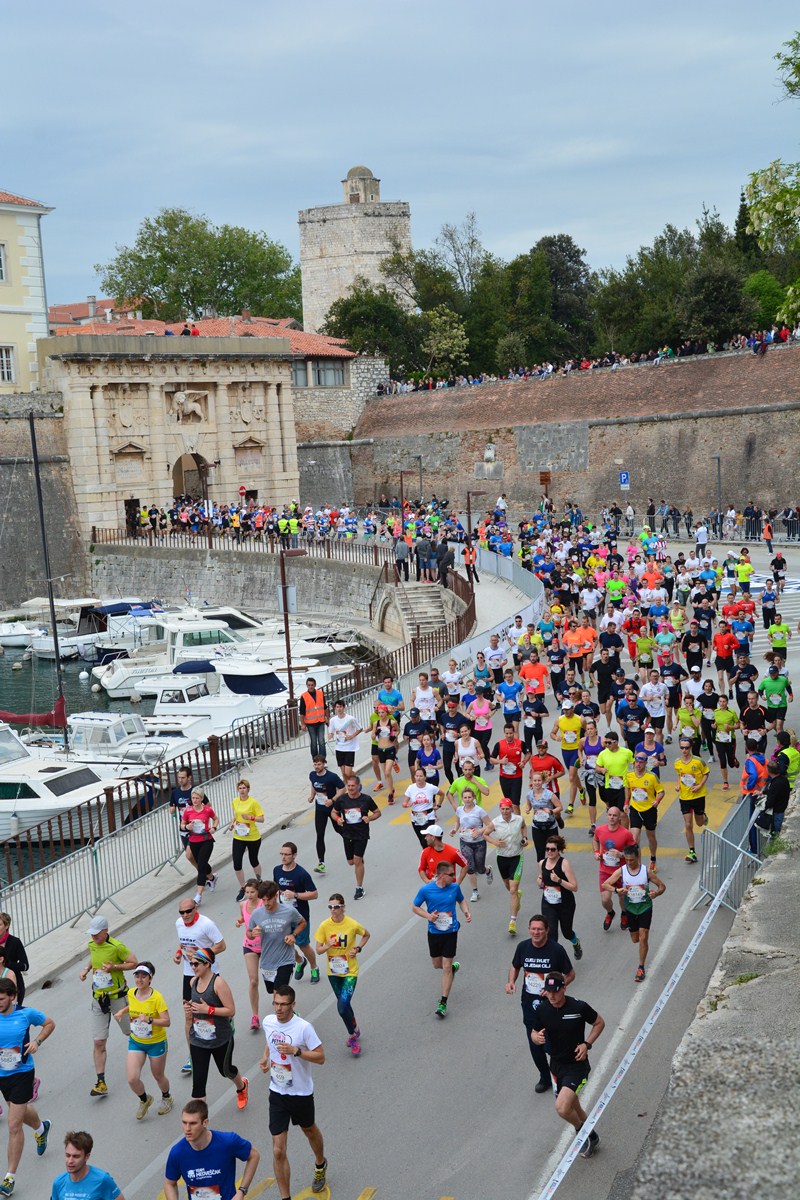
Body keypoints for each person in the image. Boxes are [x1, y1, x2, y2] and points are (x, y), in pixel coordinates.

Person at [260, 985, 327, 1199]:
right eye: (276, 1003)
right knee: (278, 1150)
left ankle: (320, 1163)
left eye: (283, 1004)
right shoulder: (268, 1022)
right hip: (277, 1092)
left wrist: (296, 1051)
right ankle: (285, 1197)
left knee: (309, 1130)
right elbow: (270, 1040)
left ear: (293, 1004)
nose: (278, 1009)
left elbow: (321, 1057)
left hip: (300, 1093)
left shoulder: (304, 1028)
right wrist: (265, 1057)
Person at [530, 972, 605, 1158]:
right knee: (574, 1108)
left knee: (562, 1108)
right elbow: (534, 1032)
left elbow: (599, 1023)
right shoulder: (543, 1009)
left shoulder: (578, 1007)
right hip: (556, 1067)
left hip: (577, 1067)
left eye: (556, 991)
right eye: (548, 991)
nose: (552, 996)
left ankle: (581, 1132)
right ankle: (592, 1137)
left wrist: (587, 1044)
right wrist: (536, 1038)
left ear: (564, 988)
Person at [505, 915, 574, 1094]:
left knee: (552, 1045)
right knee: (535, 1043)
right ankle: (545, 1077)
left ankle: (563, 1075)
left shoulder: (556, 950)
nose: (536, 932)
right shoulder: (523, 947)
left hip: (552, 1005)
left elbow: (570, 974)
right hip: (530, 1005)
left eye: (540, 929)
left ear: (547, 931)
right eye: (533, 929)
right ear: (529, 929)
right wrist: (511, 981)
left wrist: (555, 989)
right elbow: (515, 966)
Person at [0, 978, 54, 1196]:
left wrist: (37, 1042)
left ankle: (9, 1178)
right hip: (2, 1075)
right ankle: (41, 1128)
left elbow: (49, 1023)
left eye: (1, 999)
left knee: (14, 1125)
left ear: (12, 997)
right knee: (18, 1112)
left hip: (22, 1073)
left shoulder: (26, 1014)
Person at [79, 916, 136, 1099]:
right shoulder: (92, 944)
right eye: (92, 934)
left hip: (118, 998)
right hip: (99, 999)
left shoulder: (116, 946)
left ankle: (152, 1050)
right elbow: (94, 957)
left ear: (106, 931)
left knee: (132, 1032)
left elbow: (134, 962)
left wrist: (115, 967)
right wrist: (86, 969)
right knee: (98, 1042)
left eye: (97, 933)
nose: (94, 937)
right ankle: (101, 1082)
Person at [184, 949, 249, 1108]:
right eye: (191, 964)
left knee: (226, 1071)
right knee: (198, 1085)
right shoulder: (193, 982)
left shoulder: (218, 983)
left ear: (207, 964)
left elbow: (231, 1010)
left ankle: (241, 1087)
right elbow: (194, 1006)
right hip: (198, 1040)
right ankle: (199, 1121)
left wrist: (208, 1010)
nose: (193, 967)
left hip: (220, 1039)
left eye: (196, 964)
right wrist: (189, 1009)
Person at [164, 1099, 259, 1200]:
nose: (187, 1128)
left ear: (205, 1122)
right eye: (184, 1122)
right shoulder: (177, 1152)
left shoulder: (227, 1142)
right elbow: (169, 1183)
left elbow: (254, 1155)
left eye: (193, 1123)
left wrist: (242, 1191)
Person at [412, 861, 472, 1019]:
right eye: (451, 874)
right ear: (442, 875)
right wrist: (428, 916)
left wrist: (466, 912)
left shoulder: (454, 887)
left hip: (451, 932)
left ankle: (443, 1003)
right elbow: (415, 907)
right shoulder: (426, 890)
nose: (454, 877)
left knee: (445, 967)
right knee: (437, 965)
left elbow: (461, 900)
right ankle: (452, 969)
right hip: (434, 932)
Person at [113, 961, 172, 1119]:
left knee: (158, 1075)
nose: (139, 979)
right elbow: (132, 1006)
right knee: (132, 1079)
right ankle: (145, 1099)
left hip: (156, 1042)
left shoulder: (157, 998)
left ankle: (167, 1097)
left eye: (144, 976)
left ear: (150, 978)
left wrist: (149, 1020)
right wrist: (121, 1011)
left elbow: (167, 1021)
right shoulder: (131, 993)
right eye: (137, 976)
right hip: (137, 1042)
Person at [173, 898, 226, 1076]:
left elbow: (222, 945)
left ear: (195, 908)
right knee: (189, 1015)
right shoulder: (179, 924)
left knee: (213, 1012)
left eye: (188, 911)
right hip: (189, 974)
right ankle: (192, 1056)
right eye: (182, 912)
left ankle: (226, 1026)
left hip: (209, 973)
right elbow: (183, 944)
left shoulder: (206, 924)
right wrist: (179, 954)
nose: (185, 915)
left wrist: (201, 954)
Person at [314, 894, 370, 1056]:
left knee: (342, 1006)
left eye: (336, 907)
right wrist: (327, 946)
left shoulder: (352, 924)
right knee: (344, 1005)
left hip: (350, 971)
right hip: (334, 972)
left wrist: (357, 948)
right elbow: (318, 950)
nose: (333, 910)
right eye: (330, 907)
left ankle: (352, 1036)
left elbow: (366, 934)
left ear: (343, 907)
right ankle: (355, 1027)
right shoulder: (324, 926)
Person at [602, 844, 666, 982]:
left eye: (631, 860)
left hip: (645, 908)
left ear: (637, 857)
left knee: (643, 937)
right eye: (626, 860)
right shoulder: (622, 871)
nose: (629, 862)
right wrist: (617, 890)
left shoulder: (646, 871)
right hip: (630, 909)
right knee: (635, 939)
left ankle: (641, 968)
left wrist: (656, 894)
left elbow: (662, 886)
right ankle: (640, 956)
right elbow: (605, 884)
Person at [327, 775, 381, 899]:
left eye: (353, 786)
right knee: (351, 862)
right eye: (349, 786)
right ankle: (359, 860)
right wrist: (338, 819)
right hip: (347, 834)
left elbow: (378, 812)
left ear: (358, 786)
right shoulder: (342, 799)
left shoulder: (366, 799)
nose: (350, 788)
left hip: (361, 834)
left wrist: (369, 818)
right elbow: (333, 812)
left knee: (357, 861)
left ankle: (359, 888)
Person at [273, 843, 320, 984]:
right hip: (282, 916)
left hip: (300, 917)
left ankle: (314, 967)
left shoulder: (301, 874)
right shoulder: (277, 870)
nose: (283, 857)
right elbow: (276, 889)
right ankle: (300, 961)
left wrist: (295, 895)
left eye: (287, 854)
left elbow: (314, 894)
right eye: (281, 854)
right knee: (285, 944)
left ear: (294, 855)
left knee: (303, 944)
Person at [248, 881, 305, 996]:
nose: (266, 903)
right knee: (272, 991)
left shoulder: (289, 911)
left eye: (268, 899)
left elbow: (302, 922)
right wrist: (252, 934)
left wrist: (293, 935)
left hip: (286, 959)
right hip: (267, 962)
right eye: (263, 900)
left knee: (278, 993)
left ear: (276, 896)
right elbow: (249, 932)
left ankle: (285, 1008)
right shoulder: (256, 913)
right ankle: (288, 1007)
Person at [485, 798, 528, 936]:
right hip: (502, 858)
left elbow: (524, 827)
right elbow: (485, 834)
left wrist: (525, 838)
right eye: (503, 809)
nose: (505, 811)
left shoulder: (519, 819)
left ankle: (513, 921)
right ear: (500, 809)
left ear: (511, 809)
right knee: (508, 887)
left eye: (507, 809)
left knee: (513, 890)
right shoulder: (495, 822)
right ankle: (517, 895)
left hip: (517, 857)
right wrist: (494, 842)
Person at [537, 835, 582, 957]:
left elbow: (574, 887)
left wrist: (559, 880)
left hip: (565, 904)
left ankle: (576, 942)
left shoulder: (564, 864)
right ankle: (553, 958)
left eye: (553, 849)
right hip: (548, 903)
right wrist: (540, 881)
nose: (549, 852)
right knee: (551, 934)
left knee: (567, 932)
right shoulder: (542, 863)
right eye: (547, 849)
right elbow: (541, 878)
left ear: (559, 850)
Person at [592, 807, 636, 930]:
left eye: (614, 815)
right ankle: (610, 912)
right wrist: (596, 852)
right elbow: (595, 839)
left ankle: (624, 913)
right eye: (610, 815)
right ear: (607, 815)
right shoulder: (600, 830)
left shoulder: (626, 833)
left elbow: (634, 850)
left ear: (619, 817)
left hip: (621, 872)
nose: (612, 817)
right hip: (605, 871)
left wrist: (621, 854)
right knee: (605, 900)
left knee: (622, 897)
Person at [450, 785, 494, 901]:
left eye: (469, 797)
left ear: (473, 798)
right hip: (465, 842)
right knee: (469, 867)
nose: (467, 799)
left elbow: (490, 825)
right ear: (462, 798)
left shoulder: (479, 811)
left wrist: (479, 831)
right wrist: (454, 829)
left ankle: (488, 870)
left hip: (479, 842)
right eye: (465, 797)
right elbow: (457, 821)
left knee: (480, 869)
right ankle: (475, 891)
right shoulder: (459, 810)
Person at [51, 1130, 125, 1200]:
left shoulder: (102, 1180)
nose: (70, 1161)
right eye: (67, 1155)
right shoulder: (58, 1183)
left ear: (87, 1156)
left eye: (76, 1156)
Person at [624, 752, 664, 865]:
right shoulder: (629, 775)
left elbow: (661, 792)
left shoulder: (652, 776)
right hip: (635, 809)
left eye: (641, 762)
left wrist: (657, 800)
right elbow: (627, 788)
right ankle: (638, 865)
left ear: (646, 763)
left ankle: (653, 858)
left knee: (651, 836)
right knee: (634, 838)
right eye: (636, 762)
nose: (638, 764)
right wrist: (626, 802)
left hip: (649, 810)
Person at [180, 787, 218, 906]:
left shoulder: (207, 810)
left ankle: (198, 896)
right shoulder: (188, 810)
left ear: (201, 798)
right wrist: (186, 827)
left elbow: (215, 819)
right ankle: (212, 878)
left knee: (201, 866)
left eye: (197, 798)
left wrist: (214, 828)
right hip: (193, 841)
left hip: (206, 840)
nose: (195, 800)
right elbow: (182, 824)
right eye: (193, 798)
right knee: (202, 863)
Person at [675, 737, 710, 863]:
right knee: (688, 824)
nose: (684, 750)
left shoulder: (698, 761)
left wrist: (700, 785)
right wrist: (678, 785)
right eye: (682, 748)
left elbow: (706, 773)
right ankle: (692, 852)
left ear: (691, 748)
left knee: (699, 823)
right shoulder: (677, 762)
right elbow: (680, 775)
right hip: (684, 797)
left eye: (686, 748)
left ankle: (703, 816)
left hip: (698, 796)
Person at [228, 779, 264, 902]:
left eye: (244, 788)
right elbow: (236, 815)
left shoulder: (253, 802)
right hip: (239, 836)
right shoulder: (235, 801)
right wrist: (232, 823)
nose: (242, 790)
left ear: (248, 789)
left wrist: (250, 817)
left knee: (253, 860)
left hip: (252, 836)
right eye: (240, 788)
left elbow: (262, 819)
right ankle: (243, 887)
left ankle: (259, 881)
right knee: (237, 863)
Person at [235, 879, 263, 1032]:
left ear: (258, 891)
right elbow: (244, 918)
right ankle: (255, 1016)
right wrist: (239, 921)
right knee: (253, 981)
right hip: (249, 945)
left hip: (266, 946)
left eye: (252, 892)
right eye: (247, 892)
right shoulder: (243, 904)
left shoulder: (263, 904)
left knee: (273, 981)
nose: (250, 895)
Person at [307, 756, 343, 874]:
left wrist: (333, 800)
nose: (317, 767)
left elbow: (342, 788)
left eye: (319, 764)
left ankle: (353, 845)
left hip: (333, 809)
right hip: (320, 809)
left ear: (324, 764)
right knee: (320, 834)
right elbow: (313, 784)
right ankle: (321, 863)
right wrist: (312, 796)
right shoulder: (312, 775)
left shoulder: (332, 776)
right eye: (315, 764)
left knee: (339, 830)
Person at [403, 768, 444, 847]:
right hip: (416, 818)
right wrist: (407, 804)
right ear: (414, 777)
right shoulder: (411, 788)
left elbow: (442, 794)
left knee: (426, 840)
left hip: (428, 817)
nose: (418, 778)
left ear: (425, 777)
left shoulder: (431, 787)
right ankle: (428, 854)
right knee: (422, 842)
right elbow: (404, 803)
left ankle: (432, 853)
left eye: (421, 776)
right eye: (417, 776)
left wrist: (438, 805)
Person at [169, 765, 197, 872]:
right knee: (190, 856)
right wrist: (172, 809)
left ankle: (203, 873)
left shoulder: (195, 791)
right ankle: (205, 873)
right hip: (184, 828)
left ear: (189, 778)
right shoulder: (175, 793)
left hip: (196, 827)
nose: (180, 780)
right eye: (179, 777)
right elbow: (171, 807)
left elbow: (208, 805)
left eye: (183, 777)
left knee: (190, 854)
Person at [299, 677, 329, 761]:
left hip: (320, 721)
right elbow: (301, 712)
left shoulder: (320, 693)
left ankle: (322, 760)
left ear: (315, 685)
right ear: (306, 685)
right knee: (314, 742)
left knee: (321, 741)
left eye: (312, 685)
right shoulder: (304, 696)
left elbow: (325, 707)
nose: (310, 686)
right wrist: (303, 724)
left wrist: (327, 718)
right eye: (309, 685)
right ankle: (315, 760)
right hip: (310, 723)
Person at [0, 919, 27, 1008]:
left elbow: (25, 965)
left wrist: (6, 966)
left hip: (15, 985)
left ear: (6, 926)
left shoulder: (15, 942)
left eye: (0, 925)